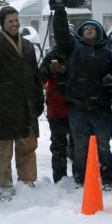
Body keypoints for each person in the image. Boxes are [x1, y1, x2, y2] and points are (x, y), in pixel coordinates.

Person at [52, 5, 112, 188]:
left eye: (93, 27)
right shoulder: (73, 49)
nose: (89, 29)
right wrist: (59, 10)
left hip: (101, 108)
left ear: (99, 32)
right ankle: (81, 178)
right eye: (86, 28)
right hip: (78, 107)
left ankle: (107, 177)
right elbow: (62, 34)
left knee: (103, 145)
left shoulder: (108, 54)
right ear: (81, 32)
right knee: (80, 146)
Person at [0, 6, 44, 201]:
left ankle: (27, 181)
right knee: (5, 150)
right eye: (10, 21)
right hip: (6, 104)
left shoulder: (27, 45)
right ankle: (5, 184)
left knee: (28, 146)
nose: (15, 23)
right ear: (3, 23)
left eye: (16, 20)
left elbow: (35, 74)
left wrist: (39, 97)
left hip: (27, 103)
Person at [38, 46, 73, 184]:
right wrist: (49, 70)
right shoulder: (51, 55)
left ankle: (79, 177)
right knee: (58, 146)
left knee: (77, 146)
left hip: (74, 107)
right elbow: (40, 75)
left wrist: (67, 71)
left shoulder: (75, 51)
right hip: (56, 108)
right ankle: (60, 179)